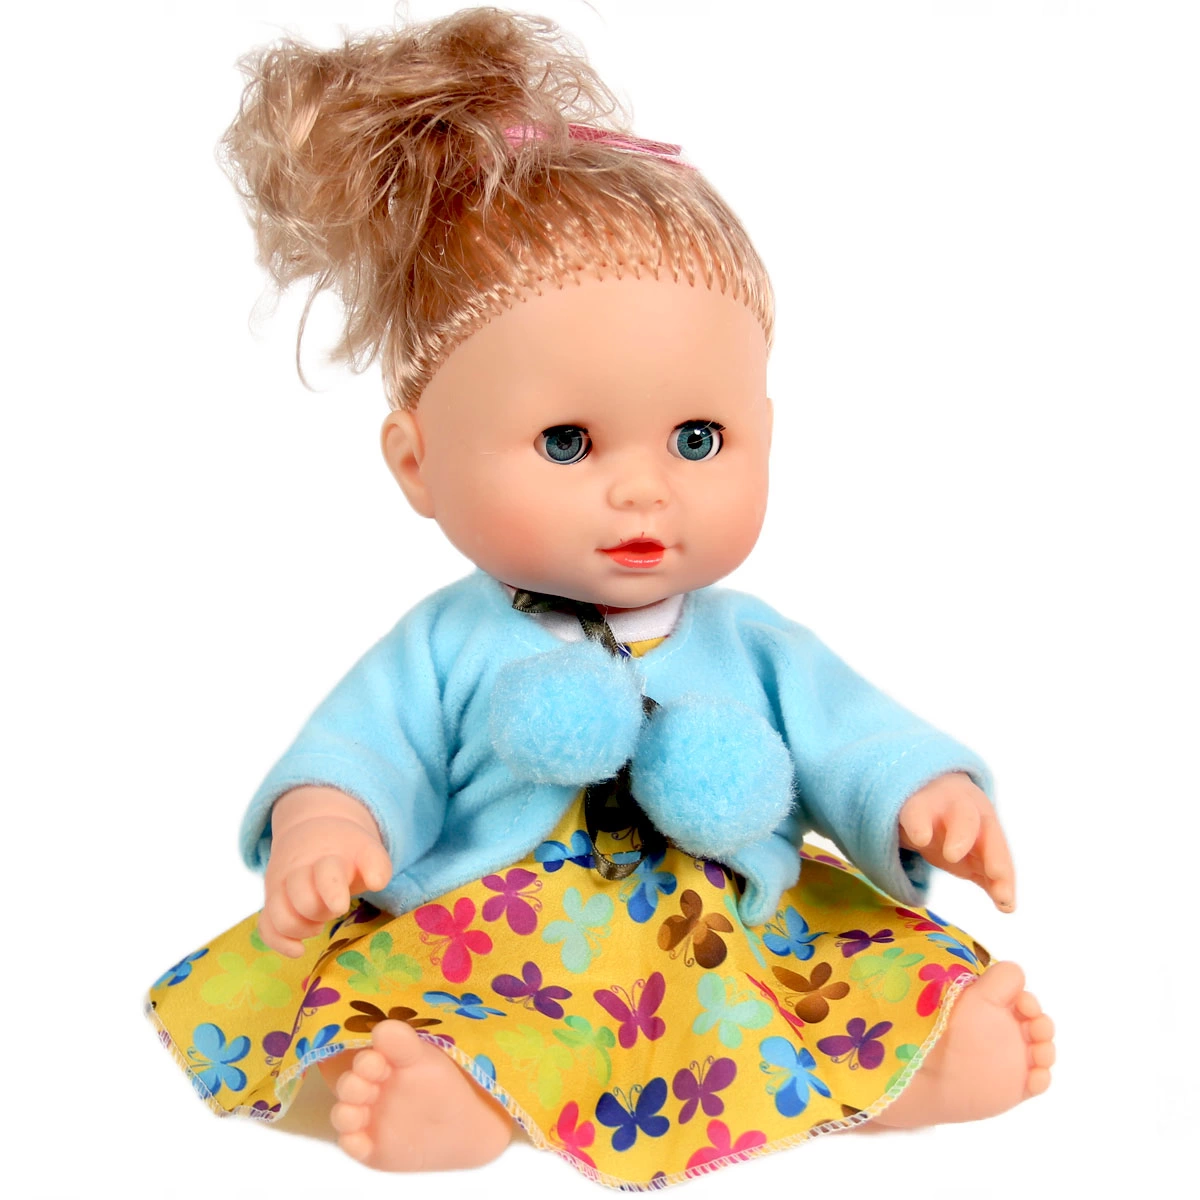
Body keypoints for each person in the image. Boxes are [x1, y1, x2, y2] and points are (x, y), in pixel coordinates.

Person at [147, 8, 1054, 1188]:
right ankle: (456, 1098)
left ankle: (921, 1070)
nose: (643, 488)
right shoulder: (449, 642)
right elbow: (367, 747)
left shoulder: (753, 640)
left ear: (766, 433)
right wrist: (329, 826)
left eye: (697, 438)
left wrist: (925, 793)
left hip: (727, 932)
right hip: (504, 943)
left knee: (837, 982)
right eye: (569, 442)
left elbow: (852, 735)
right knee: (416, 1013)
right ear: (417, 462)